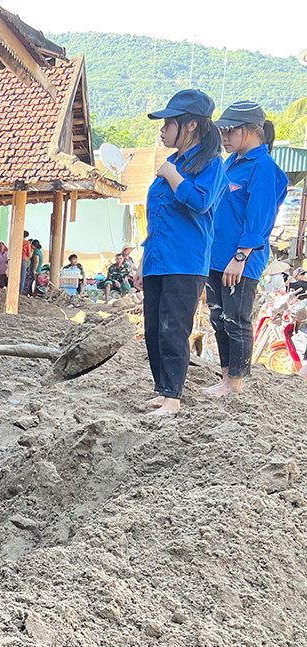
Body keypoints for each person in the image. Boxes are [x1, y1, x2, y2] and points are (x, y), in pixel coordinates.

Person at [141, 89, 226, 415]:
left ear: (190, 125)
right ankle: (163, 390)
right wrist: (143, 259)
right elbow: (158, 216)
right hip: (157, 258)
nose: (162, 129)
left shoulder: (210, 165)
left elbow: (200, 202)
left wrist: (174, 176)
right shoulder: (173, 162)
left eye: (168, 123)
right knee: (153, 328)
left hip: (185, 261)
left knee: (174, 328)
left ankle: (174, 398)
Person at [204, 101, 289, 398]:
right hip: (216, 257)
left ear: (252, 131)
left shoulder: (264, 167)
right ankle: (226, 377)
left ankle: (235, 383)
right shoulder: (231, 163)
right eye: (222, 131)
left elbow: (260, 217)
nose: (224, 137)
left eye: (230, 131)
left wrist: (240, 256)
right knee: (218, 317)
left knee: (237, 320)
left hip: (240, 260)